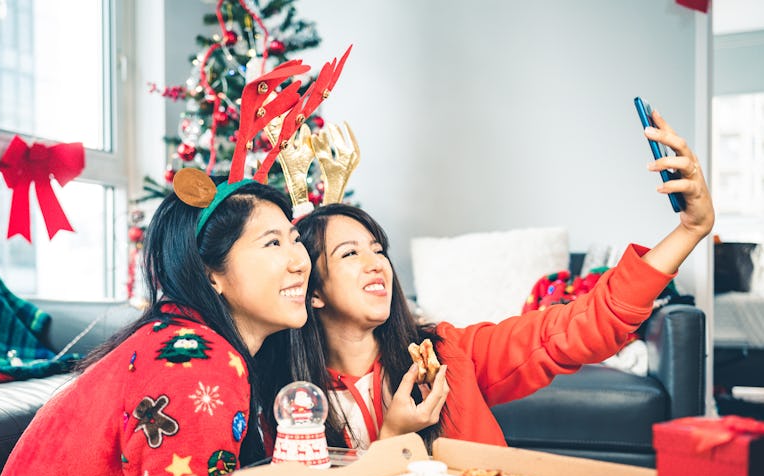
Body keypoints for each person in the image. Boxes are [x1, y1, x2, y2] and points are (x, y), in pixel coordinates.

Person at [291, 110, 714, 451]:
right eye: (350, 253)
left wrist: (689, 230)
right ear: (313, 293)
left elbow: (578, 327)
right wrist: (393, 438)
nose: (377, 263)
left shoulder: (450, 355)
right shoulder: (294, 400)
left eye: (378, 249)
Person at [0, 175, 311, 476]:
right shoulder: (193, 360)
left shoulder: (177, 338)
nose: (300, 262)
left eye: (295, 239)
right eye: (272, 244)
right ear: (210, 272)